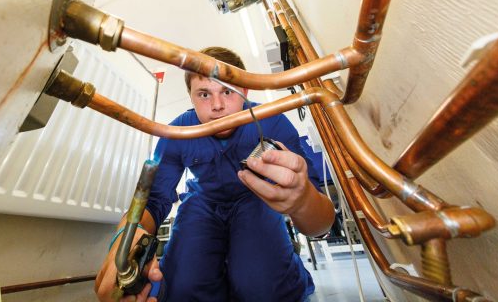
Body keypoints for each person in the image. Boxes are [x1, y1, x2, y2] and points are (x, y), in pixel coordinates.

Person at [95, 47, 335, 302]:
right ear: (191, 97)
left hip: (254, 200)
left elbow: (321, 222)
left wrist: (303, 200)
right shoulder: (176, 132)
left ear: (245, 91)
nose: (218, 106)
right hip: (202, 203)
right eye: (204, 94)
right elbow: (153, 201)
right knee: (182, 287)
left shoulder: (272, 121)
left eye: (228, 91)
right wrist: (126, 236)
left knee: (262, 288)